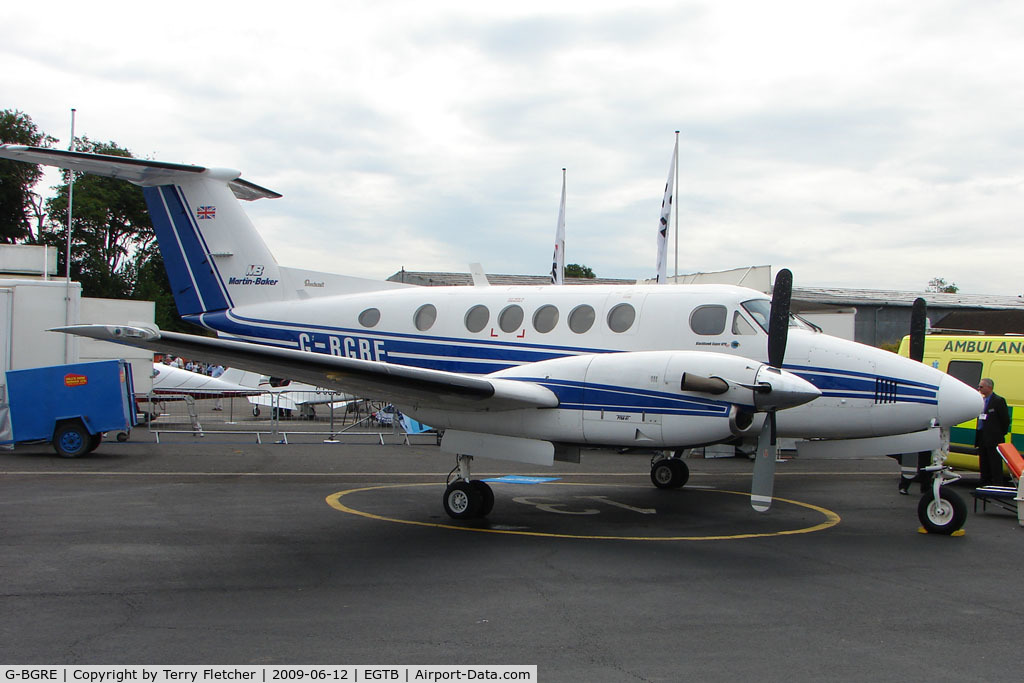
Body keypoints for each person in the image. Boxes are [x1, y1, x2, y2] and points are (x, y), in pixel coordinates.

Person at [975, 377, 1011, 486]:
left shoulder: (998, 401)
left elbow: (1005, 420)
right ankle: (984, 483)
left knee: (995, 463)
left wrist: (999, 434)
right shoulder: (981, 400)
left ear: (989, 387)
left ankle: (997, 484)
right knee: (984, 462)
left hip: (994, 438)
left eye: (981, 387)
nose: (979, 389)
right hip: (982, 436)